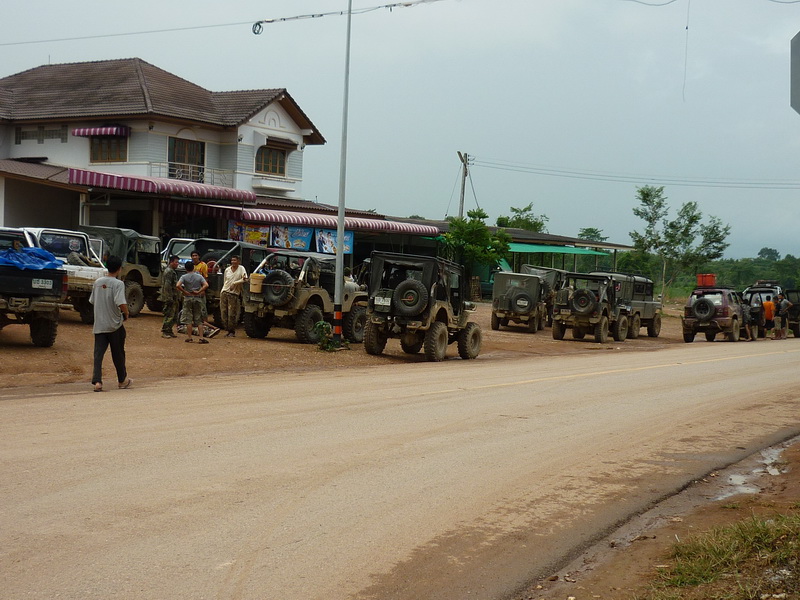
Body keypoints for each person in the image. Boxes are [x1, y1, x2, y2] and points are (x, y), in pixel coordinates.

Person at [89, 255, 131, 392]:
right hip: (114, 324)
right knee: (118, 353)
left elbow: (93, 301)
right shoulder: (118, 284)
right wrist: (126, 313)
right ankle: (122, 380)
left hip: (99, 324)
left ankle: (97, 382)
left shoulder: (98, 282)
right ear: (119, 269)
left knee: (98, 354)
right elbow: (121, 302)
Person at [177, 260, 209, 343]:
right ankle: (201, 338)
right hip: (197, 298)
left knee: (188, 319)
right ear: (193, 268)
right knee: (199, 319)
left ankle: (190, 337)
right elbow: (206, 285)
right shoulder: (199, 276)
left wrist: (184, 292)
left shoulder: (184, 277)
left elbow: (178, 285)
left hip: (188, 298)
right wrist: (199, 291)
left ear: (186, 268)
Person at [220, 255, 248, 337]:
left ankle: (231, 330)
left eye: (235, 260)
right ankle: (227, 329)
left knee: (232, 313)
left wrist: (235, 283)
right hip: (224, 291)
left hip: (234, 294)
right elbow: (225, 281)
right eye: (232, 260)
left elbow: (245, 279)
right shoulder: (227, 269)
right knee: (223, 312)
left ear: (239, 261)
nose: (233, 262)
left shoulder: (241, 268)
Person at [160, 254, 181, 338]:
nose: (177, 264)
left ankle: (169, 330)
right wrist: (169, 297)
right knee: (169, 314)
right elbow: (167, 285)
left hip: (174, 296)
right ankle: (165, 331)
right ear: (171, 262)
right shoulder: (169, 272)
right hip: (170, 296)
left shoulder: (172, 271)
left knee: (174, 314)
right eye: (176, 262)